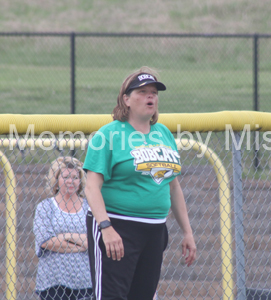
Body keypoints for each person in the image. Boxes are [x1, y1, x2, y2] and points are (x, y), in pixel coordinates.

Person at [83, 66, 197, 300]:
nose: (150, 97)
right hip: (118, 226)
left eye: (154, 92)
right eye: (142, 92)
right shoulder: (107, 134)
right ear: (126, 99)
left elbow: (173, 186)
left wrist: (187, 231)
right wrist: (106, 227)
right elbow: (91, 186)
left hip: (155, 229)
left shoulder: (163, 133)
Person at [33, 157, 93, 300]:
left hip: (85, 282)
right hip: (53, 282)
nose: (71, 181)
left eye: (75, 177)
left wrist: (64, 237)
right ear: (56, 180)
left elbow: (94, 241)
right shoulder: (45, 207)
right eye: (65, 177)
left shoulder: (89, 207)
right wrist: (81, 244)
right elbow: (45, 241)